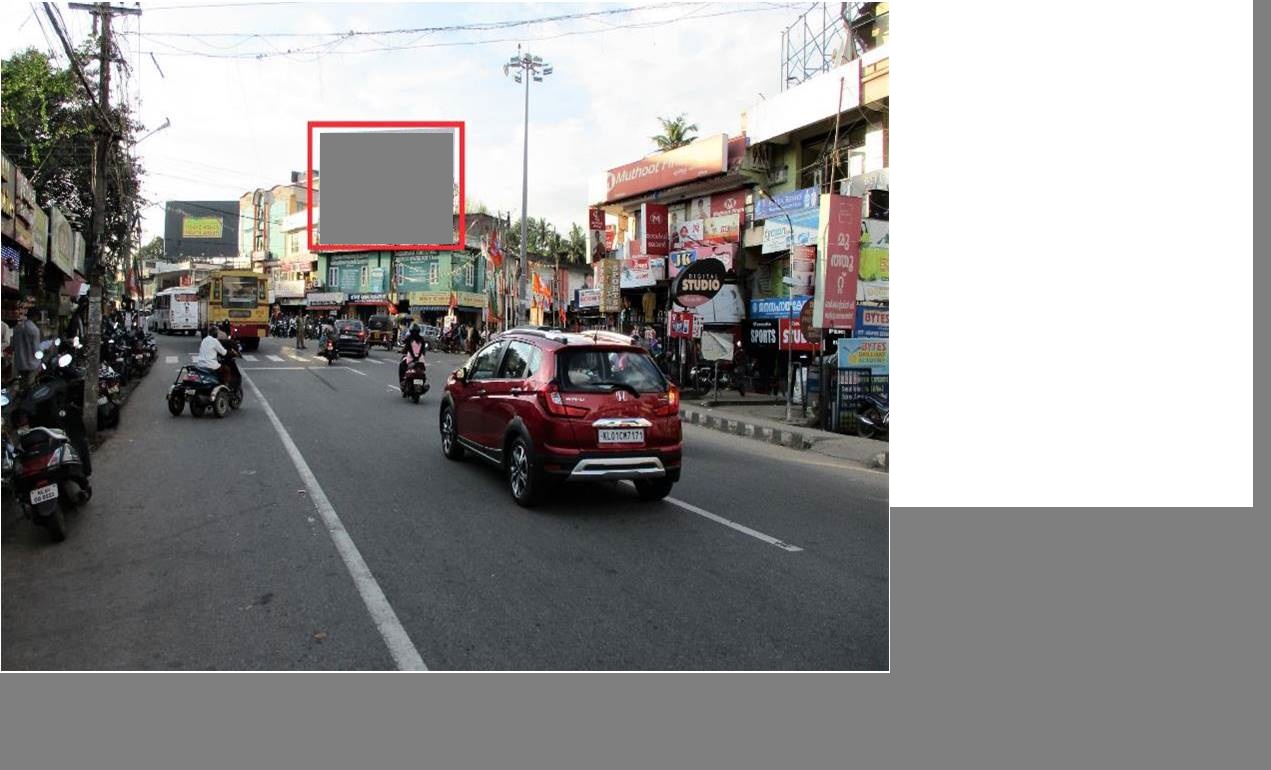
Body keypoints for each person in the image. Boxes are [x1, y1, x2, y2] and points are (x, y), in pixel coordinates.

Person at [12, 307, 42, 392]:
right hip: (31, 364)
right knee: (30, 386)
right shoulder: (34, 329)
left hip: (20, 363)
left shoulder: (17, 327)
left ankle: (20, 401)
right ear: (35, 316)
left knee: (22, 385)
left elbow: (13, 345)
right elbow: (36, 349)